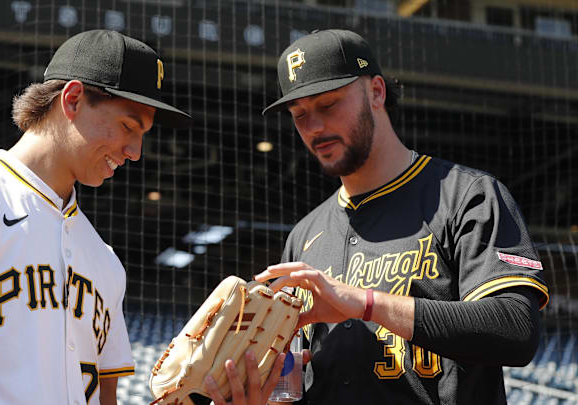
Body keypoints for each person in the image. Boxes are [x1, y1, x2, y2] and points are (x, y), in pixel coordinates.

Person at [212, 29, 549, 405]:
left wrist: (367, 303)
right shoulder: (304, 235)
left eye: (328, 105)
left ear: (376, 92)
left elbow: (516, 329)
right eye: (299, 115)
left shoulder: (466, 195)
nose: (314, 128)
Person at [0, 29, 191, 405]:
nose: (135, 151)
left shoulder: (104, 259)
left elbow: (105, 396)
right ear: (73, 99)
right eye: (128, 126)